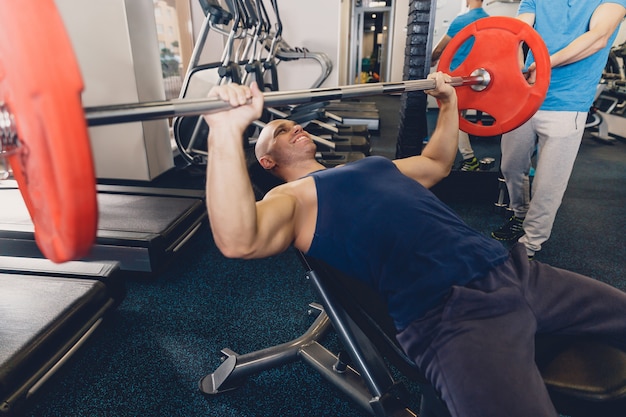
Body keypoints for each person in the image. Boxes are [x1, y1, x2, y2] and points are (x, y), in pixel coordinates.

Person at [202, 78, 626, 417]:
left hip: (517, 270)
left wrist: (447, 103)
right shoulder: (290, 199)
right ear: (266, 162)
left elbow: (438, 162)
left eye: (291, 124)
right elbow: (240, 239)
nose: (292, 126)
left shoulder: (370, 166)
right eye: (276, 131)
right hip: (452, 312)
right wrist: (224, 131)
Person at [492, 1, 626, 259]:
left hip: (569, 101)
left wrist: (543, 64)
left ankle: (529, 245)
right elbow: (517, 33)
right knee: (510, 165)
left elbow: (598, 38)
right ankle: (520, 214)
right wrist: (515, 66)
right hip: (526, 96)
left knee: (548, 182)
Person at [431, 0, 489, 171]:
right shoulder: (487, 20)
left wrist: (432, 59)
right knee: (456, 117)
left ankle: (468, 159)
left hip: (456, 77)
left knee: (453, 117)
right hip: (475, 78)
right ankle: (449, 157)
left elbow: (440, 49)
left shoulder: (461, 20)